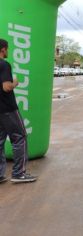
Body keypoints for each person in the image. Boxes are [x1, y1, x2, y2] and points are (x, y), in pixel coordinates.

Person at [0, 39, 37, 183]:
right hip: (7, 108)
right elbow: (6, 87)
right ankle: (18, 173)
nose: (8, 51)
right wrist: (15, 82)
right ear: (3, 49)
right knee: (20, 137)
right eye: (7, 49)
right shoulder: (4, 64)